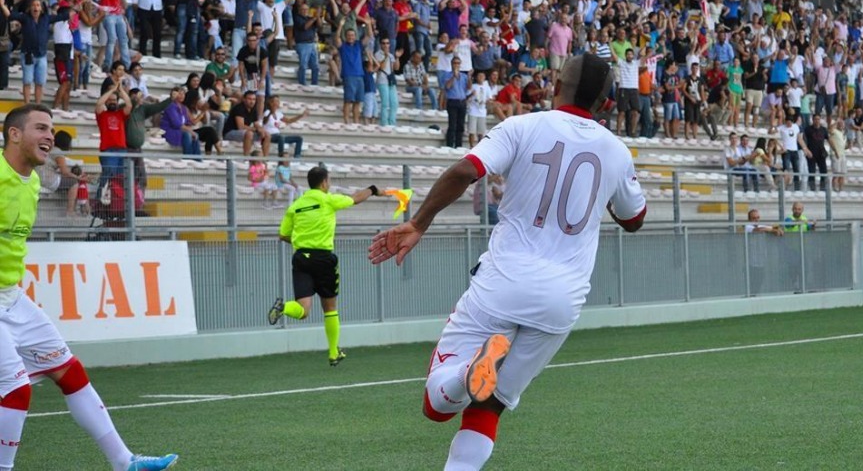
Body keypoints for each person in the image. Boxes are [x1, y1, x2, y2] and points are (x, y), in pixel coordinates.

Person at [367, 53, 646, 471]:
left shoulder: (523, 126)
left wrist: (419, 222)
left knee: (436, 405)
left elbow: (465, 171)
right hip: (562, 301)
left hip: (503, 284)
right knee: (488, 407)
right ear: (606, 104)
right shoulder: (617, 152)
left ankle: (467, 372)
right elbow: (634, 219)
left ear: (555, 87)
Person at [0, 104, 178, 471]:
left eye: (51, 129)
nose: (50, 136)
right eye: (40, 128)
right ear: (14, 134)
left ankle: (125, 462)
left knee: (71, 372)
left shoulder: (32, 183)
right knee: (15, 388)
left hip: (12, 298)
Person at [267, 167, 382, 365]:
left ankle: (284, 307)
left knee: (303, 310)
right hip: (323, 259)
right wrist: (372, 189)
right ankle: (333, 352)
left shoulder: (296, 205)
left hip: (301, 258)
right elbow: (355, 199)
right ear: (324, 183)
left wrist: (301, 241)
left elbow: (283, 234)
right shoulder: (328, 199)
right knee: (329, 308)